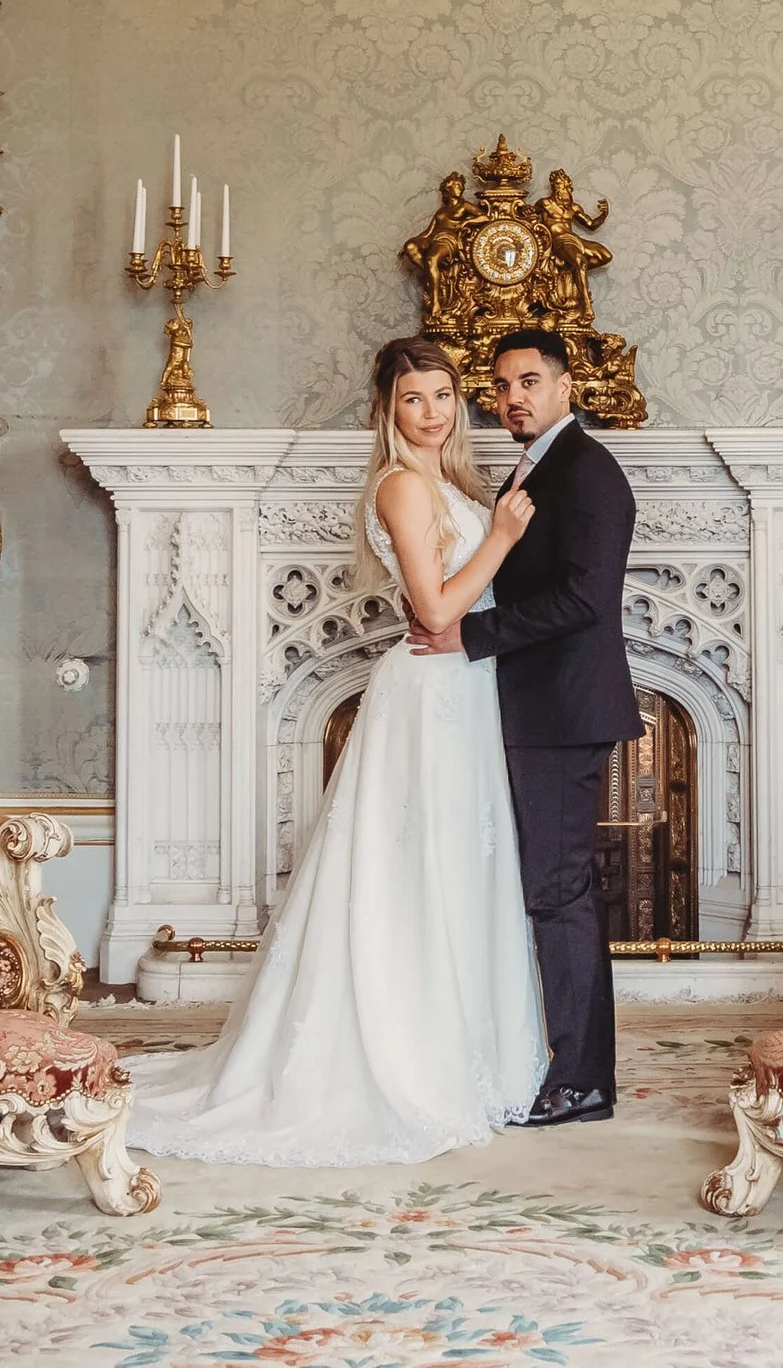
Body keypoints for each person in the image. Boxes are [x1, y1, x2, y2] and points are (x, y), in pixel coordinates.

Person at [125, 336, 547, 1165]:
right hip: (429, 690)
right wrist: (498, 539)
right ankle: (399, 1056)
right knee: (410, 872)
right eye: (413, 400)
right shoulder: (400, 485)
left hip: (465, 689)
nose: (432, 412)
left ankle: (469, 1051)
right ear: (387, 412)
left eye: (442, 394)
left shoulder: (449, 482)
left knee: (461, 865)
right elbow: (431, 611)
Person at [411, 326, 640, 1128]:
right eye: (502, 385)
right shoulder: (537, 463)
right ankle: (564, 1065)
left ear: (567, 384)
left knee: (558, 890)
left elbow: (583, 597)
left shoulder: (589, 473)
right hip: (535, 706)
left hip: (564, 710)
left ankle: (582, 1079)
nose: (513, 397)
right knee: (547, 888)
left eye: (530, 381)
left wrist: (468, 635)